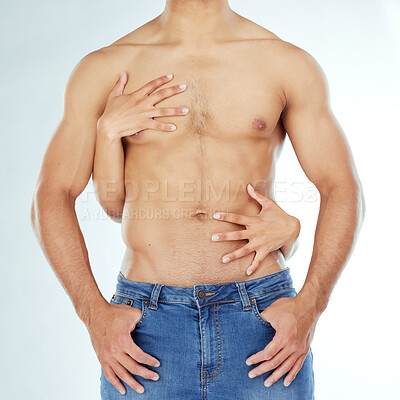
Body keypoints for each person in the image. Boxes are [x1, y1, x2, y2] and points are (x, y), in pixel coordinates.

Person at [30, 0, 365, 398]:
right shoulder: (106, 68)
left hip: (263, 322)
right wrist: (93, 314)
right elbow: (51, 197)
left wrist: (311, 305)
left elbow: (342, 187)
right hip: (146, 329)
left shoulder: (285, 64)